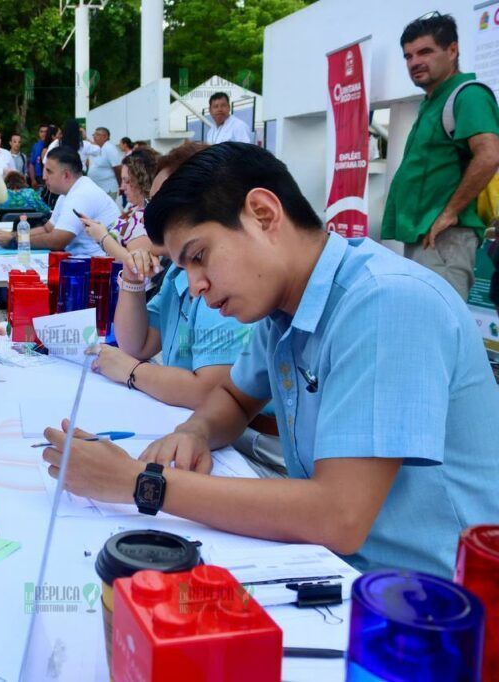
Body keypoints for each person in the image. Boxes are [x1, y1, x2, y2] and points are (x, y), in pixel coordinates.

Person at [42, 142, 499, 578]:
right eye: (185, 269)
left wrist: (139, 482)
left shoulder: (386, 304)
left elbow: (339, 515)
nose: (197, 285)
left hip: (436, 610)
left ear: (263, 214)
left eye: (200, 256)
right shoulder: (285, 308)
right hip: (340, 569)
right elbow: (235, 398)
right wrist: (195, 431)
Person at [84, 142, 284, 477]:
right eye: (153, 204)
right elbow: (140, 344)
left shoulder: (224, 282)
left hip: (252, 452)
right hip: (221, 441)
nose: (155, 216)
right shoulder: (183, 274)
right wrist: (132, 279)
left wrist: (133, 372)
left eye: (167, 203)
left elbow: (209, 389)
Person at [382, 12, 499, 301]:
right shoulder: (433, 102)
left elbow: (489, 154)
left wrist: (449, 213)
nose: (414, 62)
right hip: (427, 238)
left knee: (439, 326)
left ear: (452, 50)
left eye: (425, 51)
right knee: (424, 322)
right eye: (408, 56)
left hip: (445, 238)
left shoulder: (468, 95)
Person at [0, 146, 117, 258]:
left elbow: (57, 240)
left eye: (49, 172)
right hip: (85, 261)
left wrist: (14, 240)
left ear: (66, 175)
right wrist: (11, 235)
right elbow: (48, 229)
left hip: (97, 268)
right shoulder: (67, 193)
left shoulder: (81, 194)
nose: (44, 177)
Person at [80, 147, 162, 263]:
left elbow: (137, 263)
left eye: (127, 181)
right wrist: (98, 231)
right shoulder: (134, 208)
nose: (122, 187)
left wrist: (102, 237)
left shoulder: (149, 217)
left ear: (144, 181)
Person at [87, 127, 124, 200]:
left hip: (108, 189)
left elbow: (117, 168)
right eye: (94, 134)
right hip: (99, 188)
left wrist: (121, 185)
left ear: (105, 137)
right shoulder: (98, 148)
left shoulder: (109, 148)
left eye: (97, 134)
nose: (94, 136)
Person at [29, 124, 53, 189]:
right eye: (41, 131)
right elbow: (31, 164)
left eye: (45, 132)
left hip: (50, 177)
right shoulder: (36, 146)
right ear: (39, 133)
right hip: (38, 178)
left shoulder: (52, 145)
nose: (43, 134)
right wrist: (33, 180)